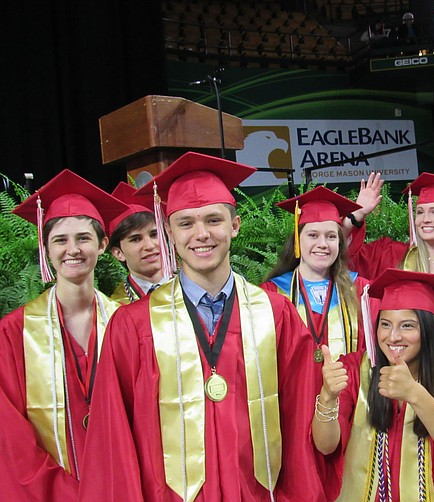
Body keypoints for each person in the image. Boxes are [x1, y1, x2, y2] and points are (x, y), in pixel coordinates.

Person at [80, 152, 323, 501]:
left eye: (213, 220)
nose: (201, 234)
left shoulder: (276, 314)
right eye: (186, 223)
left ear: (235, 226)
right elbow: (113, 438)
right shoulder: (133, 325)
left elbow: (299, 423)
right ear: (169, 231)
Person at [0, 169, 127, 500]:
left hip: (121, 487)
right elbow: (11, 435)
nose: (73, 249)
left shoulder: (127, 325)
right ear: (47, 248)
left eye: (83, 238)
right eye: (60, 240)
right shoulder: (15, 332)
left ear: (102, 245)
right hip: (47, 493)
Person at [312, 269, 434, 501]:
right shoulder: (354, 371)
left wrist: (415, 393)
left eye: (407, 326)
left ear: (427, 331)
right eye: (385, 324)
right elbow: (326, 446)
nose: (393, 336)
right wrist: (328, 397)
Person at [262, 186, 370, 364]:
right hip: (295, 391)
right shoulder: (272, 293)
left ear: (339, 243)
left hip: (348, 389)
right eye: (313, 235)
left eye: (331, 236)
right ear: (297, 239)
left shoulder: (360, 290)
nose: (323, 244)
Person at [347, 172, 434, 319]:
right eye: (420, 212)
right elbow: (344, 258)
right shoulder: (391, 255)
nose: (425, 219)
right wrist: (356, 215)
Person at [107, 181, 165, 303]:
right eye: (136, 239)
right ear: (118, 253)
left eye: (154, 234)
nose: (149, 245)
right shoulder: (115, 307)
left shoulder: (192, 290)